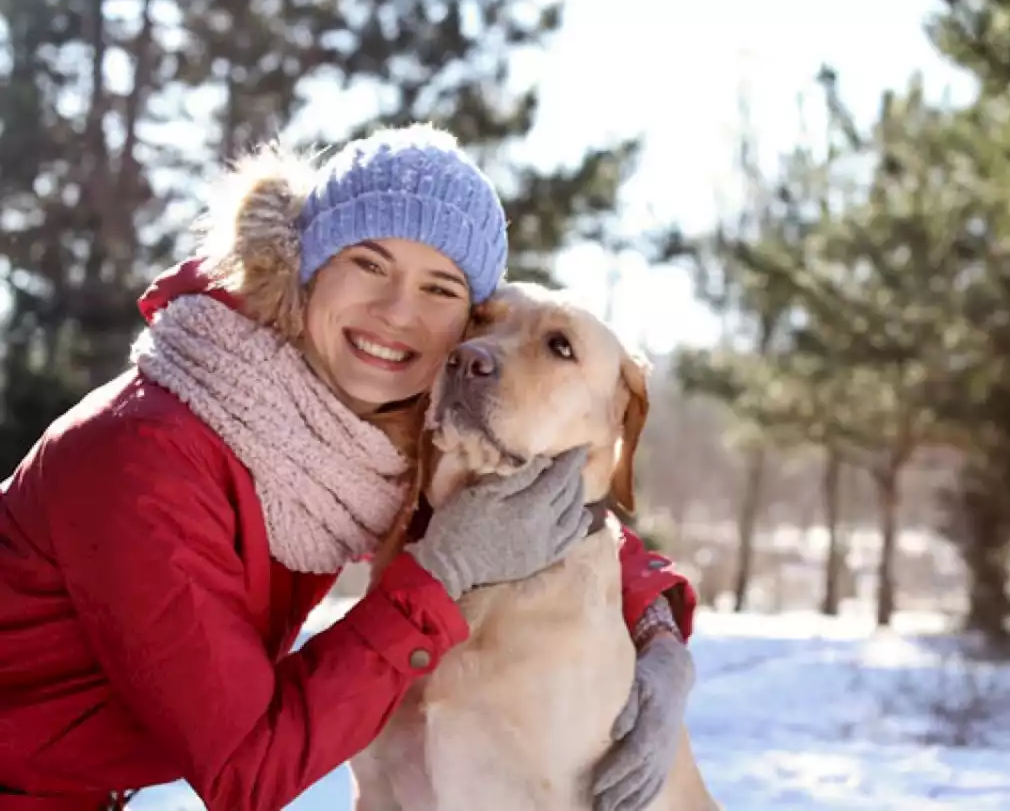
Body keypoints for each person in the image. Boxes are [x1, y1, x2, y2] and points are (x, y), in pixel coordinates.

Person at [0, 123, 698, 811]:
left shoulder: (348, 423)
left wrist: (658, 637)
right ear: (305, 270)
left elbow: (536, 515)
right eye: (368, 263)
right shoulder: (147, 457)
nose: (397, 312)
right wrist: (440, 573)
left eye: (442, 289)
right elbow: (248, 771)